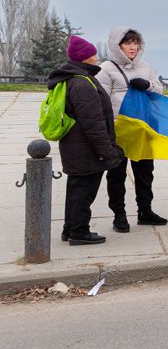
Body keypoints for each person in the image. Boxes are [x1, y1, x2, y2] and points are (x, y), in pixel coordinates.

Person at [53, 36, 122, 245]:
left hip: (75, 146)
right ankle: (80, 232)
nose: (96, 56)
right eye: (93, 53)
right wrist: (107, 151)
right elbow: (93, 123)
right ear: (86, 58)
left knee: (76, 189)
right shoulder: (82, 83)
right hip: (85, 148)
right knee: (84, 191)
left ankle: (70, 228)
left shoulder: (73, 79)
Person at [96, 27, 167, 231]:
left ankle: (146, 211)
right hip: (118, 129)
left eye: (135, 43)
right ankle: (119, 214)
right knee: (116, 174)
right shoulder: (106, 69)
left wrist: (148, 86)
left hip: (143, 127)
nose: (133, 47)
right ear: (117, 46)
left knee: (145, 172)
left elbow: (159, 90)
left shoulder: (145, 66)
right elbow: (101, 101)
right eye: (127, 43)